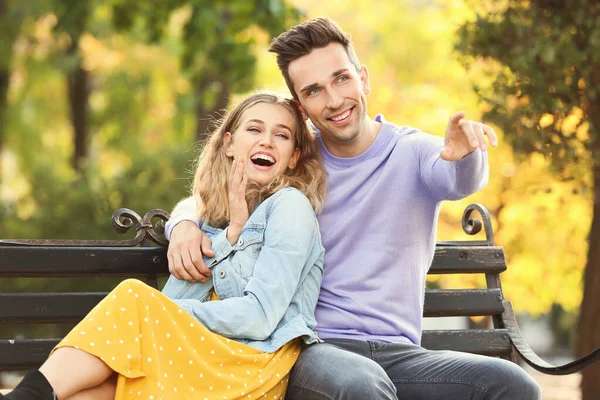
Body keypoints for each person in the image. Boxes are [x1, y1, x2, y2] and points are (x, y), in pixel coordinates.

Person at [165, 18, 542, 399]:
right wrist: (182, 224)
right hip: (313, 349)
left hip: (402, 355)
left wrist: (467, 156)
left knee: (513, 385)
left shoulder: (412, 151)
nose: (333, 100)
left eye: (341, 79)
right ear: (301, 106)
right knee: (360, 384)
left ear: (363, 78)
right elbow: (212, 195)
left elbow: (456, 179)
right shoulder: (296, 160)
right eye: (314, 91)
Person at [2, 91, 327, 400]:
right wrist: (220, 227)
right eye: (254, 128)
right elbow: (190, 209)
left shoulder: (290, 207)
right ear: (229, 144)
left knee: (134, 296)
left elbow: (259, 316)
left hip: (250, 367)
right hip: (194, 357)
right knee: (95, 385)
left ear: (294, 157)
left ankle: (28, 392)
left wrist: (158, 314)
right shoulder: (212, 216)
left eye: (281, 135)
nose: (266, 140)